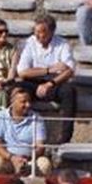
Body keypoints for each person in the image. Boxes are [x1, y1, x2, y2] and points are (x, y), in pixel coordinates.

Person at [14, 14, 77, 144]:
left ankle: (65, 138)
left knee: (69, 91)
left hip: (54, 82)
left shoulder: (62, 44)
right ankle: (16, 130)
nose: (38, 35)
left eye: (41, 32)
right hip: (33, 81)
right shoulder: (29, 43)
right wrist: (48, 69)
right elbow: (22, 72)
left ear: (51, 32)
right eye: (36, 31)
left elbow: (70, 70)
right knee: (17, 90)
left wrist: (50, 83)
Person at [0, 85, 47, 176]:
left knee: (44, 164)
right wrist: (12, 158)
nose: (28, 105)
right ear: (12, 102)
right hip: (7, 159)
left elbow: (40, 146)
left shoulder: (37, 118)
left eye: (29, 101)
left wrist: (28, 157)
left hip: (30, 159)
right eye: (23, 102)